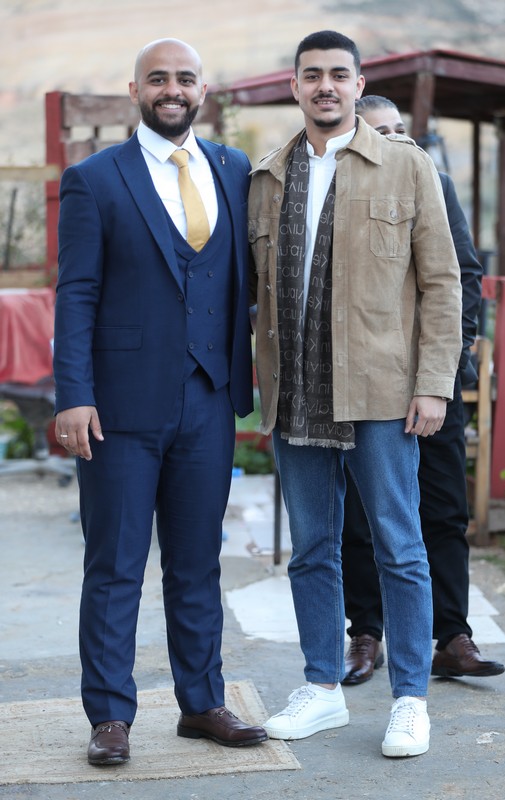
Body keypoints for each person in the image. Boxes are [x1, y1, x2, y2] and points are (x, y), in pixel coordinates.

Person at [53, 38, 267, 766]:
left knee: (197, 561)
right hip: (117, 408)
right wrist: (73, 395)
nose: (172, 89)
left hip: (210, 398)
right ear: (135, 91)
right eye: (157, 79)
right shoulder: (93, 178)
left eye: (184, 78)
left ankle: (202, 703)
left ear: (202, 90)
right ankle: (110, 716)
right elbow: (76, 293)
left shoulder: (233, 169)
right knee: (115, 565)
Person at [248, 30, 462, 758]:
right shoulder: (268, 177)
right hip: (296, 392)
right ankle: (321, 687)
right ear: (295, 86)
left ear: (358, 83)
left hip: (382, 391)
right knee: (311, 549)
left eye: (339, 74)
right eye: (312, 75)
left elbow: (441, 284)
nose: (325, 87)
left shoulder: (406, 165)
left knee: (400, 547)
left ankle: (410, 699)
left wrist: (433, 385)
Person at [341, 95, 505, 687]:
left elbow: (464, 275)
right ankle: (366, 633)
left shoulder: (435, 183)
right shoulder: (341, 191)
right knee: (360, 513)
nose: (395, 139)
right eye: (380, 131)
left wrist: (452, 360)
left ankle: (452, 636)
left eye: (400, 129)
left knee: (443, 506)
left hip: (432, 378)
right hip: (366, 377)